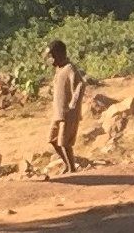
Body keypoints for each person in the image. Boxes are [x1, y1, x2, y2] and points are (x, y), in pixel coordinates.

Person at [45, 40, 85, 174]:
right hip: (58, 113)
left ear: (59, 54)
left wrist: (73, 105)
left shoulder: (70, 69)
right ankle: (68, 164)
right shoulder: (59, 69)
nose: (50, 59)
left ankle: (72, 168)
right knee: (53, 139)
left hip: (68, 114)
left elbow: (80, 85)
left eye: (52, 56)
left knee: (64, 142)